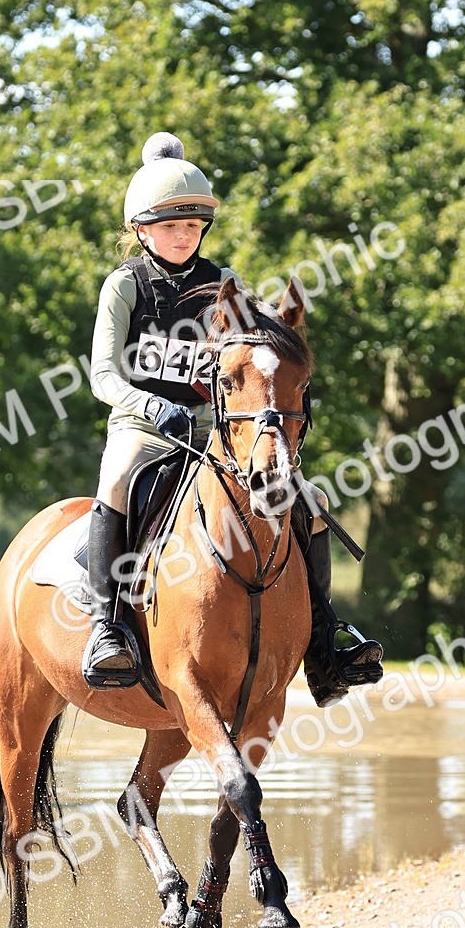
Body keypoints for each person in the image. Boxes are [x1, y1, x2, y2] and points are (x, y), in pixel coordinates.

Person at [78, 132, 383, 707]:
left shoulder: (225, 286)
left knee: (310, 505)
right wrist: (151, 406)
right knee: (116, 479)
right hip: (142, 428)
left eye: (192, 227)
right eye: (170, 226)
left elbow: (256, 358)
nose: (182, 236)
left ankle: (322, 646)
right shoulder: (125, 286)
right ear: (142, 230)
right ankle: (106, 627)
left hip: (218, 433)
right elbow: (102, 376)